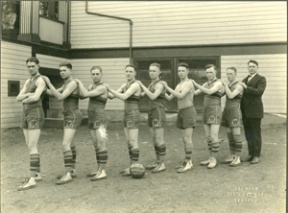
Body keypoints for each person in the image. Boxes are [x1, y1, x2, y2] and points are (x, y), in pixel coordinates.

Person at [43, 62, 82, 184]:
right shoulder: (66, 84)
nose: (62, 73)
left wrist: (49, 83)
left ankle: (68, 174)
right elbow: (52, 94)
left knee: (65, 144)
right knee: (71, 144)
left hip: (73, 115)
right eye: (60, 71)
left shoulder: (73, 83)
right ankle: (72, 170)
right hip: (68, 115)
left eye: (64, 70)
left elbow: (60, 97)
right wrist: (42, 87)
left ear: (70, 71)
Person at [16, 57, 46, 191]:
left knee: (32, 145)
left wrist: (26, 97)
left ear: (38, 66)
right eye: (28, 66)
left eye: (33, 66)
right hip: (26, 113)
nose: (30, 68)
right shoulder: (28, 81)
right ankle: (37, 174)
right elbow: (18, 97)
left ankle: (32, 179)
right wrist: (28, 94)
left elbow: (36, 98)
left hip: (36, 113)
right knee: (30, 145)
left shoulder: (41, 80)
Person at [105, 65, 142, 176]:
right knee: (129, 142)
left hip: (133, 113)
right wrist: (101, 89)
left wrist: (109, 88)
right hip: (126, 114)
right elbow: (111, 96)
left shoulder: (136, 85)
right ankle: (131, 166)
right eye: (126, 71)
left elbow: (124, 96)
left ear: (135, 73)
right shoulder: (125, 85)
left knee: (133, 141)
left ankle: (134, 167)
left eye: (131, 71)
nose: (128, 73)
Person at [75, 66, 108, 181]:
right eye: (93, 74)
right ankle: (98, 168)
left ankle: (103, 171)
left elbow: (85, 94)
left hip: (100, 117)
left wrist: (78, 82)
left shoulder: (102, 87)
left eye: (97, 74)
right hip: (91, 117)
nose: (95, 76)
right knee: (95, 145)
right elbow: (82, 95)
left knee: (101, 143)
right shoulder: (91, 86)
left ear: (101, 74)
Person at [163, 62, 197, 173]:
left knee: (188, 139)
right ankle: (188, 161)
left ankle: (188, 163)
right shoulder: (178, 85)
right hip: (181, 112)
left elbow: (181, 96)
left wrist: (167, 87)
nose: (180, 73)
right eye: (179, 71)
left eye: (183, 70)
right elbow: (169, 98)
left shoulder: (189, 83)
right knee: (184, 139)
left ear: (188, 71)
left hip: (189, 111)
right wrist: (161, 89)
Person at [192, 64, 224, 169]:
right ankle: (210, 157)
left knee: (214, 136)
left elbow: (209, 91)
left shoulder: (218, 83)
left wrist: (196, 84)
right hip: (205, 110)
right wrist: (187, 86)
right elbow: (195, 93)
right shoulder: (206, 83)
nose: (209, 74)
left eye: (211, 72)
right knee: (208, 137)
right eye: (207, 72)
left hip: (214, 110)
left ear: (216, 72)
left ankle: (214, 159)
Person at [136, 62, 167, 173]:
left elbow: (153, 96)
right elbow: (143, 95)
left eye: (154, 71)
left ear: (159, 72)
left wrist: (141, 85)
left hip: (158, 111)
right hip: (151, 111)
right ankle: (157, 161)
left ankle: (162, 164)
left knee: (159, 139)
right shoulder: (151, 84)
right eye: (150, 70)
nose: (151, 73)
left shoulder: (160, 84)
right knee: (154, 139)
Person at [240, 60, 266, 164]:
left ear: (257, 67)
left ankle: (256, 155)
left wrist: (246, 87)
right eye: (249, 66)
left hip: (255, 111)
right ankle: (250, 154)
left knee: (256, 133)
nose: (251, 68)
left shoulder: (261, 79)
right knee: (248, 134)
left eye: (253, 66)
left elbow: (259, 92)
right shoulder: (244, 79)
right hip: (245, 111)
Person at [221, 67, 244, 167]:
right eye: (227, 74)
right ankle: (232, 155)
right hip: (227, 111)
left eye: (230, 74)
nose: (228, 75)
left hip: (235, 111)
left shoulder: (239, 85)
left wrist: (225, 86)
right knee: (229, 135)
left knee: (236, 135)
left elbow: (231, 96)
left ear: (235, 74)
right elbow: (220, 94)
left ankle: (238, 158)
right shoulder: (229, 85)